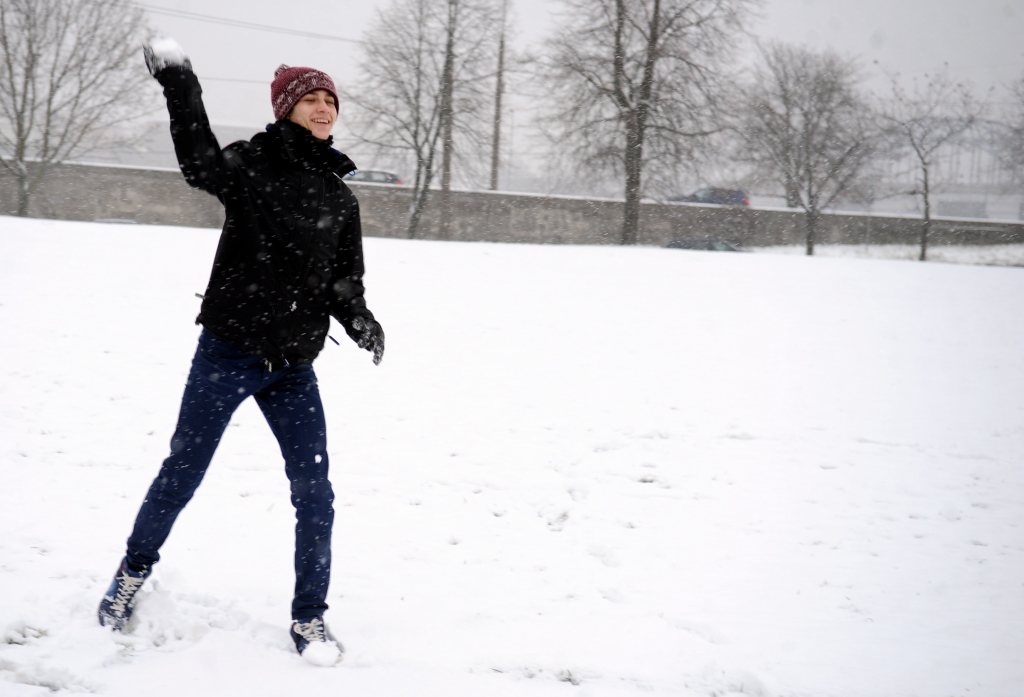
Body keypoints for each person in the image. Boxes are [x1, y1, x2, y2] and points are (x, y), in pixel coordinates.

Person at [97, 38, 383, 667]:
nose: (323, 107)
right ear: (286, 109)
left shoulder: (340, 197)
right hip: (228, 352)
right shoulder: (253, 166)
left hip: (294, 367)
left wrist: (358, 316)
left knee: (315, 490)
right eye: (311, 98)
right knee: (183, 473)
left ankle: (309, 618)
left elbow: (343, 278)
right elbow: (199, 162)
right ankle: (130, 576)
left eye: (330, 98)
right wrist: (180, 83)